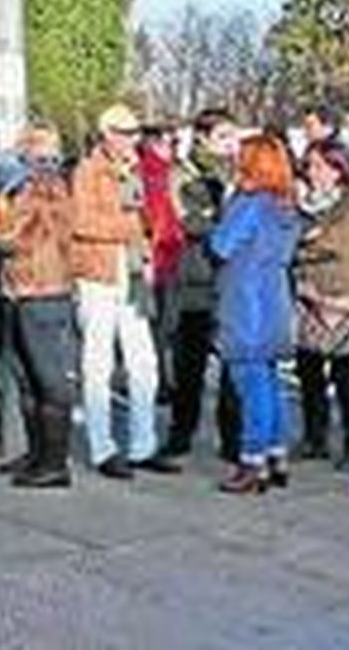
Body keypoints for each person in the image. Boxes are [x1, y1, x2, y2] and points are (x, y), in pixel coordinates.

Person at [70, 105, 178, 479]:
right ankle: (102, 448)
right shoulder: (87, 170)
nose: (132, 139)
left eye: (135, 132)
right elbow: (82, 222)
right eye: (124, 132)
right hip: (98, 274)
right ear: (107, 134)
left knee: (143, 361)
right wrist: (132, 225)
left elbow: (156, 218)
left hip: (134, 272)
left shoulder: (140, 169)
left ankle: (142, 444)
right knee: (98, 362)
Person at [0, 125, 77, 489]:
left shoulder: (41, 188)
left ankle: (54, 462)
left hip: (42, 290)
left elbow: (17, 238)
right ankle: (38, 454)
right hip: (26, 289)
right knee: (27, 377)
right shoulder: (44, 186)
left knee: (47, 379)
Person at [210, 134, 302, 494]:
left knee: (250, 384)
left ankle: (252, 461)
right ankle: (277, 454)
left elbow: (221, 245)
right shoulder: (285, 205)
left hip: (245, 299)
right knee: (269, 381)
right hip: (274, 296)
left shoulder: (249, 203)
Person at [292, 141, 349, 473]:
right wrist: (306, 239)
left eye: (317, 165)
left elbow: (340, 242)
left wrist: (305, 242)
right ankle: (315, 437)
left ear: (336, 168)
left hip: (343, 297)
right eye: (308, 165)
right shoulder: (301, 202)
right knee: (309, 371)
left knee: (347, 372)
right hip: (307, 296)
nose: (311, 172)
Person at [161, 108, 241, 462]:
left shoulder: (239, 173)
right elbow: (186, 222)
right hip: (194, 280)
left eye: (232, 136)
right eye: (223, 137)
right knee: (189, 365)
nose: (230, 144)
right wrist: (222, 220)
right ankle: (181, 433)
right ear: (202, 137)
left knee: (232, 364)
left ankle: (233, 438)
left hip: (231, 280)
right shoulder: (181, 173)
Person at [137, 126, 185, 403]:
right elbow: (156, 217)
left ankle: (163, 381)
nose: (175, 147)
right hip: (163, 255)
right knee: (163, 326)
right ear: (156, 144)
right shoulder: (154, 173)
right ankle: (163, 382)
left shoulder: (158, 171)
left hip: (163, 254)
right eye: (171, 142)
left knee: (160, 326)